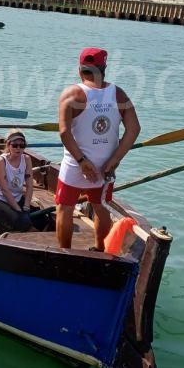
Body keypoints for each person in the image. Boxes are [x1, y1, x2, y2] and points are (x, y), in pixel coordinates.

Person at [55, 47, 140, 251]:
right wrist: (115, 159)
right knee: (100, 206)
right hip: (105, 165)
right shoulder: (118, 94)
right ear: (104, 68)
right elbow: (134, 129)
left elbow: (64, 133)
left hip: (76, 164)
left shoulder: (71, 94)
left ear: (80, 70)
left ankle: (65, 252)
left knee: (64, 208)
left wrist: (82, 162)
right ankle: (101, 251)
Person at [0, 130, 34, 232]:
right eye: (15, 145)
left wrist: (26, 207)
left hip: (17, 198)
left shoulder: (27, 159)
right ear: (8, 145)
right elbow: (4, 190)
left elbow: (30, 186)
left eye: (22, 146)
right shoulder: (0, 161)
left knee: (39, 218)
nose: (18, 148)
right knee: (18, 219)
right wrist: (18, 210)